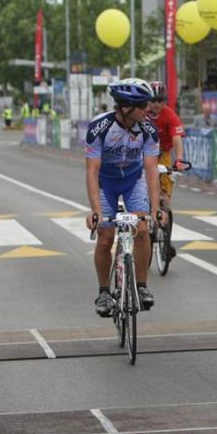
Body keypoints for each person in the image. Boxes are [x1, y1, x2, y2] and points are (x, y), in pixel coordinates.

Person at [85, 78, 162, 317]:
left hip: (132, 180)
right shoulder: (100, 127)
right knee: (105, 237)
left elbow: (151, 170)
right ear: (126, 106)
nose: (148, 109)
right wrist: (96, 211)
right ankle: (104, 292)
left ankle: (141, 286)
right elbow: (92, 172)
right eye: (143, 105)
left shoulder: (148, 129)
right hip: (105, 183)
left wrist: (155, 210)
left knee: (142, 229)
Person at [146, 81, 186, 221]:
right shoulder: (141, 113)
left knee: (165, 193)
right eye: (153, 100)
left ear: (164, 101)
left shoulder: (170, 115)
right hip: (144, 151)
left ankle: (165, 233)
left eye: (160, 101)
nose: (156, 104)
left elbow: (177, 139)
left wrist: (179, 159)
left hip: (163, 152)